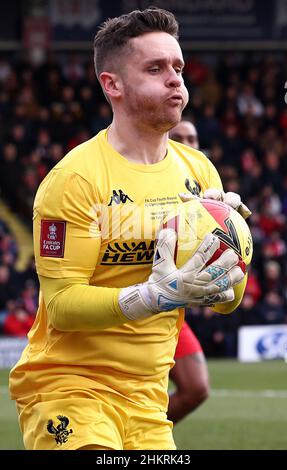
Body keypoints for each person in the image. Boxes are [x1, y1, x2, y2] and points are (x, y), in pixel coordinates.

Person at [9, 8, 248, 450]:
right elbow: (61, 304)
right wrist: (154, 296)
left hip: (148, 400)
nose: (175, 78)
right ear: (111, 84)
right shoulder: (75, 179)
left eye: (177, 67)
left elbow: (228, 302)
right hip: (69, 388)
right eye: (155, 69)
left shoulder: (200, 172)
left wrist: (232, 249)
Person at [167, 119, 209, 424]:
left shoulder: (206, 186)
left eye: (192, 138)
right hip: (129, 302)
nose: (187, 143)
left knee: (196, 388)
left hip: (170, 308)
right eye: (178, 137)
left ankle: (136, 434)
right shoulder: (145, 174)